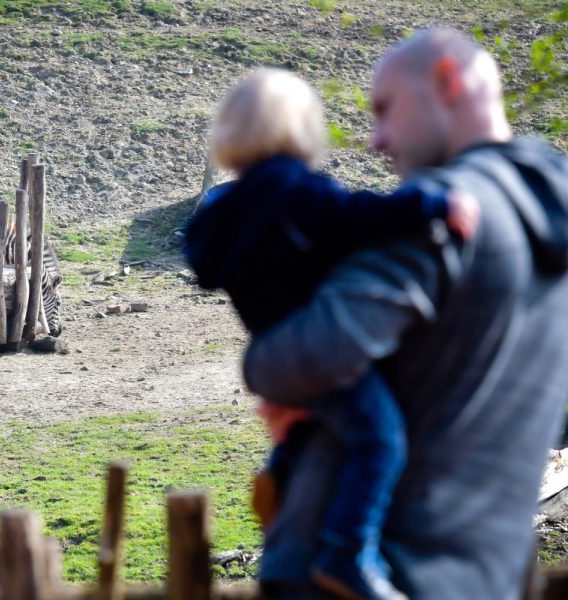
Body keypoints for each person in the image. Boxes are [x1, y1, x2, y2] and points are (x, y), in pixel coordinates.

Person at [243, 27, 568, 600]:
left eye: (385, 109)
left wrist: (267, 366)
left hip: (357, 581)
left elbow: (310, 356)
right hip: (481, 578)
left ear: (447, 81)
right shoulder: (550, 217)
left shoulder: (440, 218)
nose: (377, 140)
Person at [184, 68, 478, 600]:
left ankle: (282, 473)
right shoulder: (300, 194)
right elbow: (362, 216)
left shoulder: (220, 212)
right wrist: (436, 205)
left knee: (313, 424)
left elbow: (200, 262)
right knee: (381, 438)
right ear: (301, 130)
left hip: (268, 349)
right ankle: (347, 550)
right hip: (318, 348)